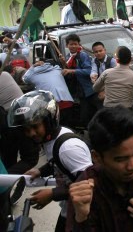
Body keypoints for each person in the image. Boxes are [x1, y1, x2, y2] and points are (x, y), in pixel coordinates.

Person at [8, 91, 92, 232]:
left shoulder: (68, 148)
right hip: (71, 206)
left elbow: (89, 183)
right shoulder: (53, 139)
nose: (31, 133)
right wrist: (41, 171)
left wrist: (52, 194)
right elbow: (57, 161)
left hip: (85, 212)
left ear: (50, 121)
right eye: (26, 130)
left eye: (35, 127)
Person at [0, 67, 39, 174]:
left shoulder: (4, 75)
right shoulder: (5, 74)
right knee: (14, 157)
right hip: (22, 115)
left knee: (25, 158)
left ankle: (7, 178)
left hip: (13, 119)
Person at [23, 60, 75, 128]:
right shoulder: (56, 69)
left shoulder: (32, 75)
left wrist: (33, 66)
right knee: (68, 126)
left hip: (52, 105)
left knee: (55, 127)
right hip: (67, 101)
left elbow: (24, 78)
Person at [61, 34, 96, 128]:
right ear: (67, 45)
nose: (73, 46)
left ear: (78, 45)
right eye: (71, 44)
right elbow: (68, 73)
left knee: (87, 116)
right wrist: (64, 64)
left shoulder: (83, 55)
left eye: (75, 44)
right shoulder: (68, 57)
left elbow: (89, 71)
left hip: (86, 91)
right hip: (75, 92)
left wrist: (72, 71)